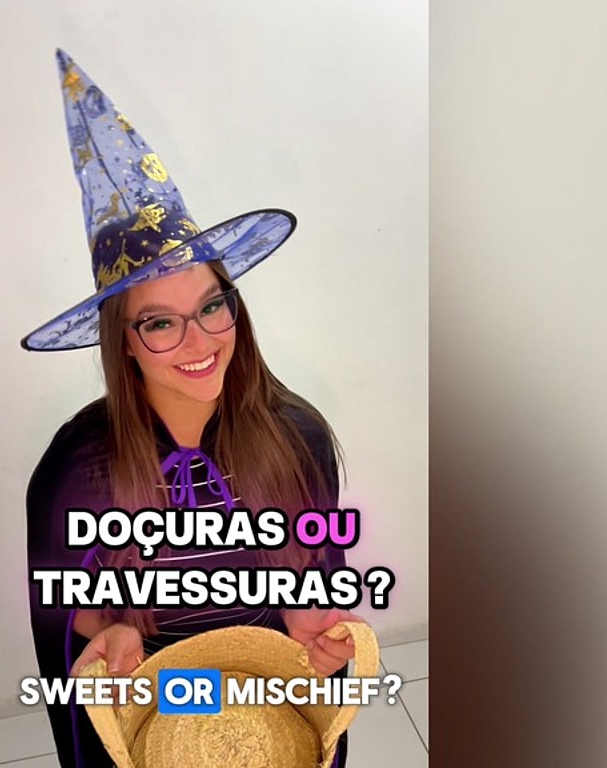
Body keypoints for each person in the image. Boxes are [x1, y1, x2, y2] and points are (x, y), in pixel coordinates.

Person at [23, 50, 362, 768]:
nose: (201, 341)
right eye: (159, 322)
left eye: (212, 305)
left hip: (268, 686)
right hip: (160, 696)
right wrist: (108, 632)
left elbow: (316, 564)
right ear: (124, 342)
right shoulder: (77, 469)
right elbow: (60, 607)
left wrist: (307, 614)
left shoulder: (297, 435)